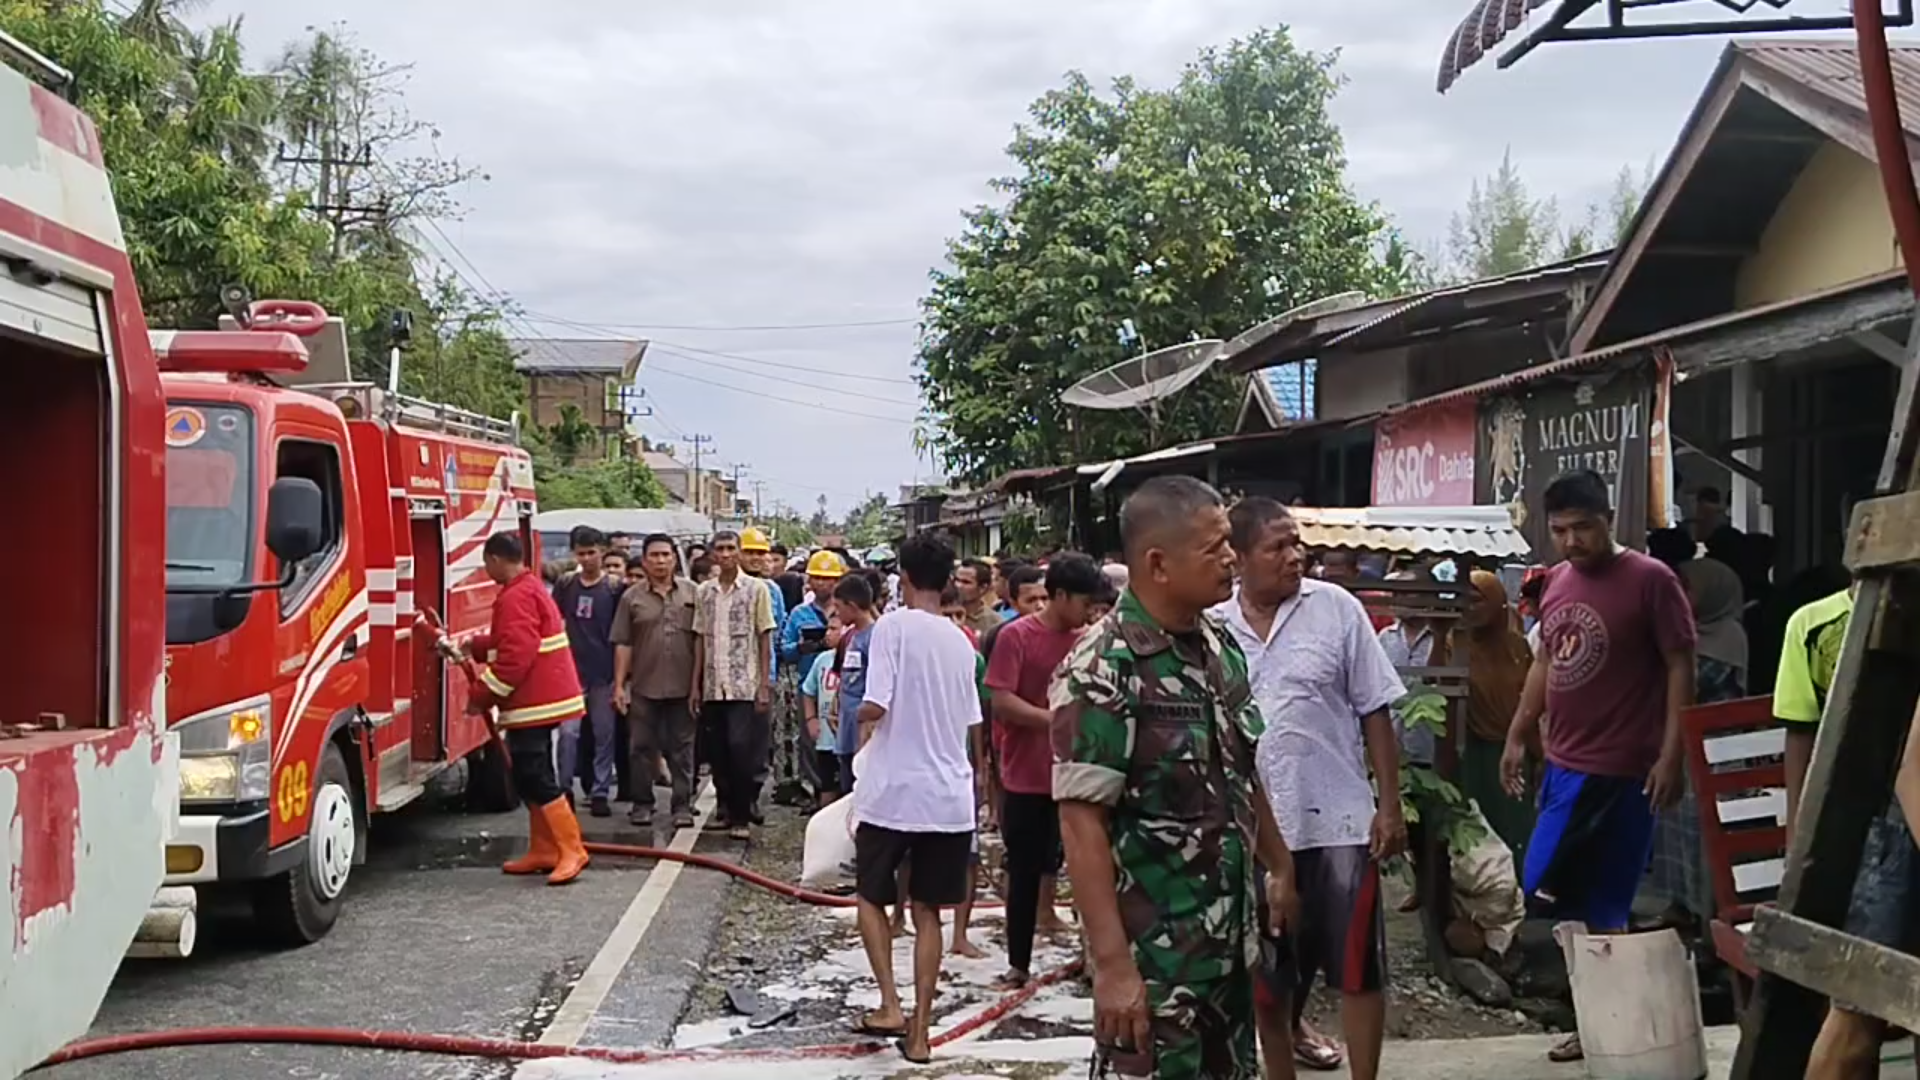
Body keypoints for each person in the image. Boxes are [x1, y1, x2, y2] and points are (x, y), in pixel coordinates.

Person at [1055, 477, 1297, 1080]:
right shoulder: (1103, 668)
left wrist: (1281, 864)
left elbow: (1241, 769)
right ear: (1158, 564)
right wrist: (1111, 967)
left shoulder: (1220, 647)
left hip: (1228, 954)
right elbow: (1082, 825)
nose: (1231, 559)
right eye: (1215, 547)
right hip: (1156, 968)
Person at [1500, 469, 1696, 1064]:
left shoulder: (1650, 581)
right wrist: (1517, 732)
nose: (1571, 541)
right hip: (1564, 764)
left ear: (1608, 520)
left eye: (1582, 528)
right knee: (1546, 886)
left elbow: (1680, 666)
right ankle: (1597, 1014)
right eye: (1559, 530)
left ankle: (1612, 1028)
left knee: (1605, 901)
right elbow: (1543, 664)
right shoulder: (1556, 582)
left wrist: (1672, 754)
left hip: (1623, 770)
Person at [1216, 498, 1405, 1080]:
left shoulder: (1337, 609)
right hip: (1254, 829)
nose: (1295, 555)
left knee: (1357, 968)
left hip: (1341, 821)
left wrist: (1389, 806)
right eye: (1277, 546)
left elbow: (1374, 708)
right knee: (1270, 976)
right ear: (1239, 558)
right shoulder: (1214, 626)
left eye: (1296, 543)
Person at [847, 533, 982, 1065]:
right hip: (948, 794)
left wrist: (846, 712)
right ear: (948, 580)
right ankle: (921, 1032)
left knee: (870, 897)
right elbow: (972, 722)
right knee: (930, 912)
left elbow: (876, 703)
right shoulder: (959, 640)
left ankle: (889, 1003)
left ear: (901, 577)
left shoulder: (891, 629)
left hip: (892, 791)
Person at [1773, 580, 1916, 1080]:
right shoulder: (1817, 624)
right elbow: (1911, 768)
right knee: (1857, 1012)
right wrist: (1799, 832)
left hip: (1892, 824)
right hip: (1890, 831)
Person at [986, 552, 1102, 990]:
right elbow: (1002, 700)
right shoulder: (1016, 637)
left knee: (1090, 870)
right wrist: (1055, 719)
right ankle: (1018, 963)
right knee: (1025, 871)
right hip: (1027, 775)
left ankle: (1094, 958)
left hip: (1083, 774)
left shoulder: (1091, 639)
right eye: (1082, 602)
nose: (1088, 612)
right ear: (1060, 595)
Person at [453, 532, 590, 885]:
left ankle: (571, 848)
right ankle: (545, 849)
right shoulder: (525, 590)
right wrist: (475, 646)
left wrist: (483, 694)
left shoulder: (516, 596)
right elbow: (511, 641)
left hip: (535, 702)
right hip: (539, 700)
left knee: (534, 773)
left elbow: (516, 655)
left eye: (486, 563)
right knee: (529, 773)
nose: (486, 570)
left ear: (497, 559)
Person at [692, 531, 778, 841]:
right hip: (714, 684)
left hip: (745, 684)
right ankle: (724, 808)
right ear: (713, 554)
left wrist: (765, 684)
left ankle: (741, 814)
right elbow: (700, 638)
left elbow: (764, 637)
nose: (726, 554)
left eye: (731, 549)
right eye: (720, 549)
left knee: (741, 749)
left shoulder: (757, 590)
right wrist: (695, 685)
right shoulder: (704, 593)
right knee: (717, 751)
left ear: (739, 553)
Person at [613, 533, 700, 832]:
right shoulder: (631, 597)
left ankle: (682, 805)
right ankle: (642, 804)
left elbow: (702, 642)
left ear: (675, 559)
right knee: (640, 747)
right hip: (643, 686)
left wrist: (700, 684)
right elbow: (623, 643)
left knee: (682, 749)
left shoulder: (693, 594)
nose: (660, 561)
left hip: (684, 686)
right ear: (645, 560)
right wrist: (619, 685)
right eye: (654, 556)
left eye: (665, 555)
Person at [1455, 570, 1537, 859]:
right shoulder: (1455, 645)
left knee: (1516, 830)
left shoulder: (1517, 647)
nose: (1470, 608)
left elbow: (1534, 700)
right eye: (1464, 601)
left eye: (1478, 601)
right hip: (1472, 754)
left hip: (1515, 753)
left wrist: (1538, 755)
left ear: (1498, 603)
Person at [550, 525, 624, 817]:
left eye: (592, 552)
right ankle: (564, 788)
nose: (587, 559)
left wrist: (622, 679)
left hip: (604, 672)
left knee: (605, 733)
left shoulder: (615, 588)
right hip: (572, 672)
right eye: (581, 553)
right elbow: (555, 623)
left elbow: (623, 636)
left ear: (602, 551)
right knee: (568, 734)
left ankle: (600, 791)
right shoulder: (567, 584)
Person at [833, 573, 879, 796]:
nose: (836, 613)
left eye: (839, 607)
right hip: (846, 725)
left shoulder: (875, 638)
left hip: (862, 731)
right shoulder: (851, 636)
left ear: (851, 606)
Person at [800, 607, 844, 809]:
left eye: (834, 629)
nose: (828, 634)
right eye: (828, 629)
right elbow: (808, 691)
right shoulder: (822, 660)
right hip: (826, 740)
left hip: (847, 738)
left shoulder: (858, 657)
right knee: (827, 791)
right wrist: (811, 719)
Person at [955, 558, 1003, 637]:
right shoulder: (942, 614)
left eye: (966, 582)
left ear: (983, 588)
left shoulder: (994, 622)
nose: (958, 585)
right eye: (957, 580)